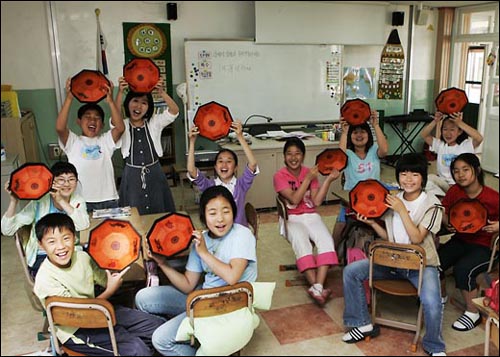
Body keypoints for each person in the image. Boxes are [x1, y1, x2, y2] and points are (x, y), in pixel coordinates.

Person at [342, 153, 446, 356]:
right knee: (351, 272)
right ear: (397, 176)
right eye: (403, 174)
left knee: (433, 302)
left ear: (423, 178)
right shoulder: (392, 199)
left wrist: (402, 210)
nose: (408, 179)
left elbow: (416, 238)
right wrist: (372, 223)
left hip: (421, 266)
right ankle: (362, 324)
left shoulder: (432, 205)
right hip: (391, 262)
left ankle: (434, 345)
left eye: (414, 174)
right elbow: (390, 236)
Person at [134, 185, 257, 355]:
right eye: (213, 213)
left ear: (234, 212)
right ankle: (186, 331)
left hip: (228, 303)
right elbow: (187, 285)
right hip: (202, 297)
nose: (220, 219)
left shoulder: (242, 235)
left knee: (161, 340)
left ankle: (189, 341)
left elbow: (232, 277)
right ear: (203, 216)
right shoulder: (202, 239)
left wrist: (204, 253)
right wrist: (162, 263)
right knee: (143, 298)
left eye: (226, 211)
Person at [33, 212, 164, 355]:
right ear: (41, 244)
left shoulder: (82, 257)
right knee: (136, 349)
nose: (61, 247)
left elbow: (104, 279)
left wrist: (115, 259)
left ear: (74, 237)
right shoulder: (45, 279)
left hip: (100, 310)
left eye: (66, 238)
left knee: (157, 327)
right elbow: (77, 316)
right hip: (76, 330)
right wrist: (109, 291)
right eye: (52, 242)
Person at [273, 137, 340, 305]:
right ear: (284, 156)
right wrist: (308, 179)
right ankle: (318, 287)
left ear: (303, 156)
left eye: (297, 154)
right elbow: (294, 200)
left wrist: (328, 180)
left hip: (310, 215)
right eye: (289, 154)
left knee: (326, 241)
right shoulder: (279, 176)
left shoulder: (310, 172)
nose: (293, 158)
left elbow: (316, 202)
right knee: (302, 243)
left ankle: (317, 287)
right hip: (291, 217)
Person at [438, 153, 499, 331]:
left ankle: (473, 313)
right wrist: (447, 222)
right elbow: (444, 210)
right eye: (456, 171)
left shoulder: (493, 197)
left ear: (477, 170)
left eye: (465, 170)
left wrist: (498, 226)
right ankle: (439, 298)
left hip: (485, 246)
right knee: (435, 262)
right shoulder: (454, 191)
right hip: (460, 240)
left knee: (464, 269)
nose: (460, 174)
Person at [1, 161, 88, 277]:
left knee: (87, 271)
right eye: (61, 179)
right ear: (52, 181)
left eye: (71, 179)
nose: (66, 184)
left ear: (76, 182)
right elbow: (7, 230)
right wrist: (13, 201)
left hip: (69, 252)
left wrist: (61, 200)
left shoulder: (77, 200)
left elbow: (82, 225)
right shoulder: (39, 202)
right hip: (42, 254)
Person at [56, 77, 124, 212]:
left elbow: (120, 128)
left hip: (108, 199)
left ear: (103, 125)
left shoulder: (105, 141)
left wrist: (110, 101)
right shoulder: (73, 142)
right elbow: (60, 128)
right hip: (80, 199)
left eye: (97, 117)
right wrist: (69, 97)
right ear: (79, 121)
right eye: (87, 116)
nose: (92, 120)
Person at [114, 77, 179, 215]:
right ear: (128, 103)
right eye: (135, 101)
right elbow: (115, 119)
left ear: (149, 107)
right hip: (132, 176)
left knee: (159, 209)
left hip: (155, 173)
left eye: (144, 103)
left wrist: (162, 93)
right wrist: (119, 92)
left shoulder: (154, 122)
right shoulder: (123, 125)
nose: (138, 106)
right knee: (134, 212)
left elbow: (174, 111)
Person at [331, 110, 389, 260]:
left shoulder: (374, 151)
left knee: (390, 221)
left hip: (374, 199)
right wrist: (344, 132)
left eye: (362, 131)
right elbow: (339, 158)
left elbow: (385, 150)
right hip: (351, 199)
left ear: (368, 135)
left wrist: (375, 125)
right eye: (354, 132)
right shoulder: (348, 154)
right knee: (340, 226)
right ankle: (331, 255)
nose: (359, 135)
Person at [187, 121, 258, 227]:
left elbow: (253, 163)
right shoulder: (209, 186)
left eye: (229, 161)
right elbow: (192, 170)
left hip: (238, 234)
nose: (224, 164)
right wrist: (192, 142)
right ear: (215, 167)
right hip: (218, 232)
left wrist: (240, 137)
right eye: (220, 161)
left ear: (235, 168)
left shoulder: (241, 185)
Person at [420, 111, 483, 193]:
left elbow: (479, 138)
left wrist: (460, 123)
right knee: (428, 179)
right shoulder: (440, 145)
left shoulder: (465, 145)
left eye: (452, 129)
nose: (448, 133)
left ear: (460, 132)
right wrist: (435, 121)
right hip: (443, 183)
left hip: (460, 184)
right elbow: (424, 135)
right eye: (445, 129)